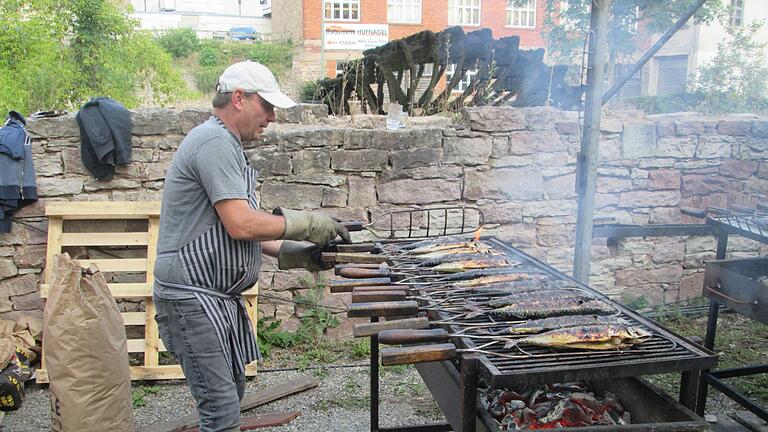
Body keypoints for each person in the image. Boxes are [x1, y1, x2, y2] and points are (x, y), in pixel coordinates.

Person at [152, 61, 350, 432]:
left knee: (232, 390)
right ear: (239, 98)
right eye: (268, 106)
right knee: (221, 409)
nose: (273, 117)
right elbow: (241, 224)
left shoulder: (226, 144)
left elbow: (239, 229)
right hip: (192, 298)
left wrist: (297, 254)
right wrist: (308, 224)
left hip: (212, 296)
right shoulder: (213, 143)